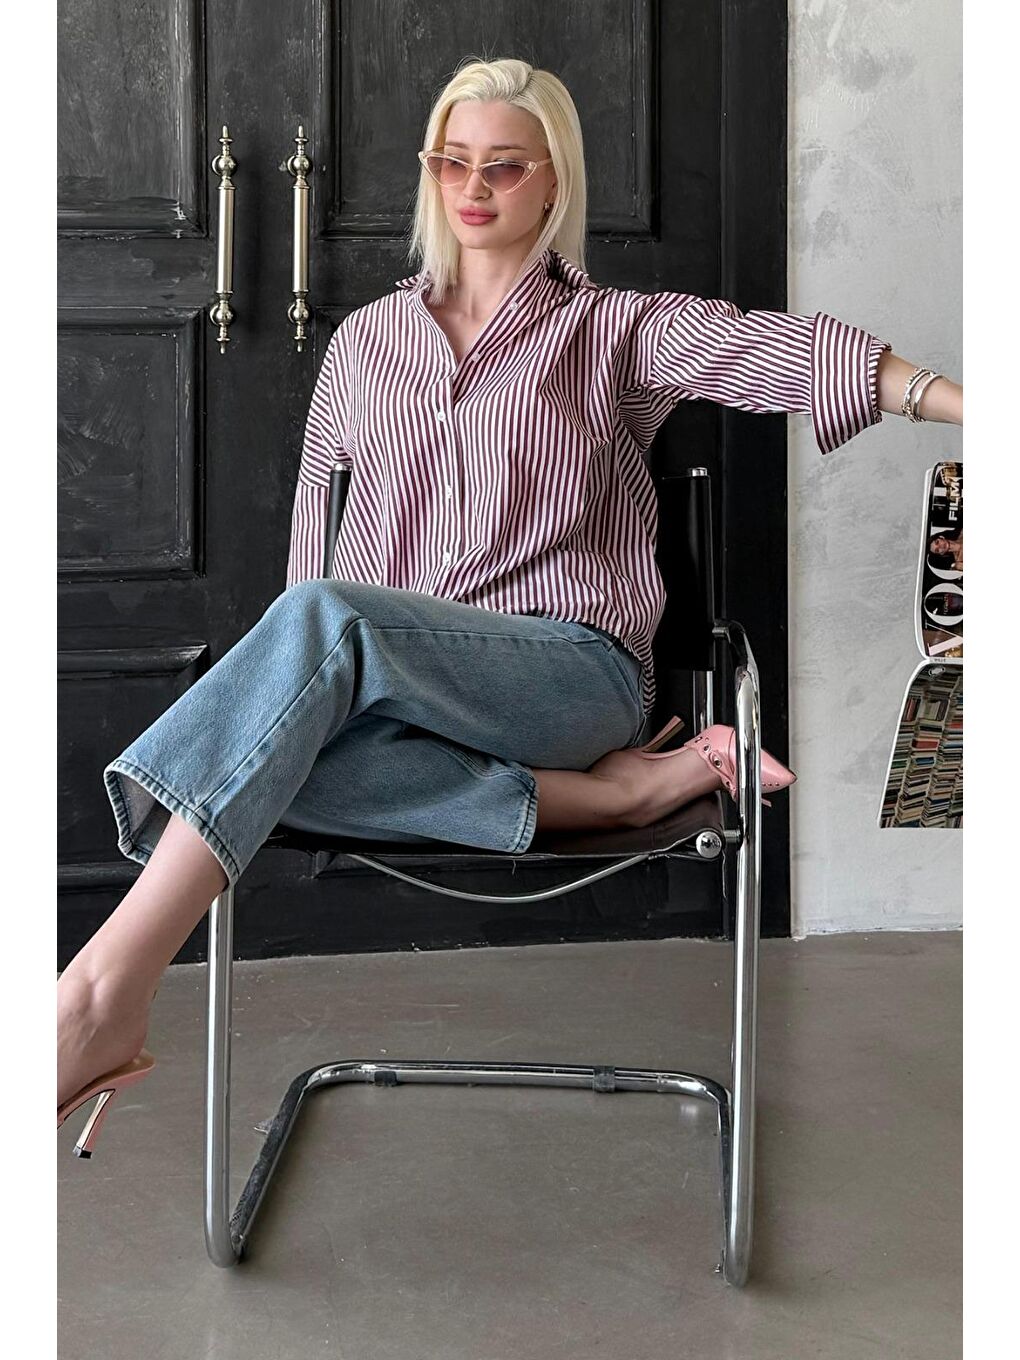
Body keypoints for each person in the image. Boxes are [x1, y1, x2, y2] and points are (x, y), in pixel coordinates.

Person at [57, 56, 964, 1143]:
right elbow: (313, 555)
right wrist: (290, 703)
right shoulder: (362, 345)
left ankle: (100, 994)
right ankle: (612, 797)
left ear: (553, 182)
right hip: (395, 688)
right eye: (451, 162)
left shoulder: (613, 329)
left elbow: (775, 353)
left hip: (569, 671)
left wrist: (960, 403)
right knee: (280, 728)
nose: (473, 186)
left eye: (503, 165)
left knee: (320, 643)